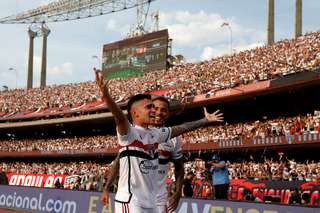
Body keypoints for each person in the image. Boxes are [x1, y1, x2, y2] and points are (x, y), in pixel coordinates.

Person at [95, 69, 223, 213]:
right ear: (135, 113)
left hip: (152, 202)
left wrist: (205, 120)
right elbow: (119, 117)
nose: (154, 111)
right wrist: (107, 97)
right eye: (149, 107)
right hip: (131, 201)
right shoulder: (129, 133)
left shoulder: (157, 134)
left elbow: (182, 128)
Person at [101, 96, 184, 213]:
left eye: (164, 110)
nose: (158, 112)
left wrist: (178, 192)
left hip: (160, 199)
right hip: (136, 199)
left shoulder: (174, 139)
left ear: (168, 114)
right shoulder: (135, 133)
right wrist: (106, 188)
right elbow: (118, 162)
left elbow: (179, 167)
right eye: (154, 108)